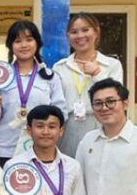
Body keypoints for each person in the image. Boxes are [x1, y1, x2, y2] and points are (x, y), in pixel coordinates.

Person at [0, 20, 68, 167]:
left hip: (40, 149)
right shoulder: (1, 77)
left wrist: (46, 129)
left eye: (29, 39)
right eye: (18, 41)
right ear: (10, 45)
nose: (24, 45)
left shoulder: (50, 77)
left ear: (37, 43)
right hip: (6, 150)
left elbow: (61, 113)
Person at [53, 12, 125, 157]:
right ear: (68, 36)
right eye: (74, 32)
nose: (80, 36)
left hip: (100, 124)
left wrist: (97, 73)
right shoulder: (60, 67)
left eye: (85, 30)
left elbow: (115, 97)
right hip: (68, 128)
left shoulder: (111, 65)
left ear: (96, 32)